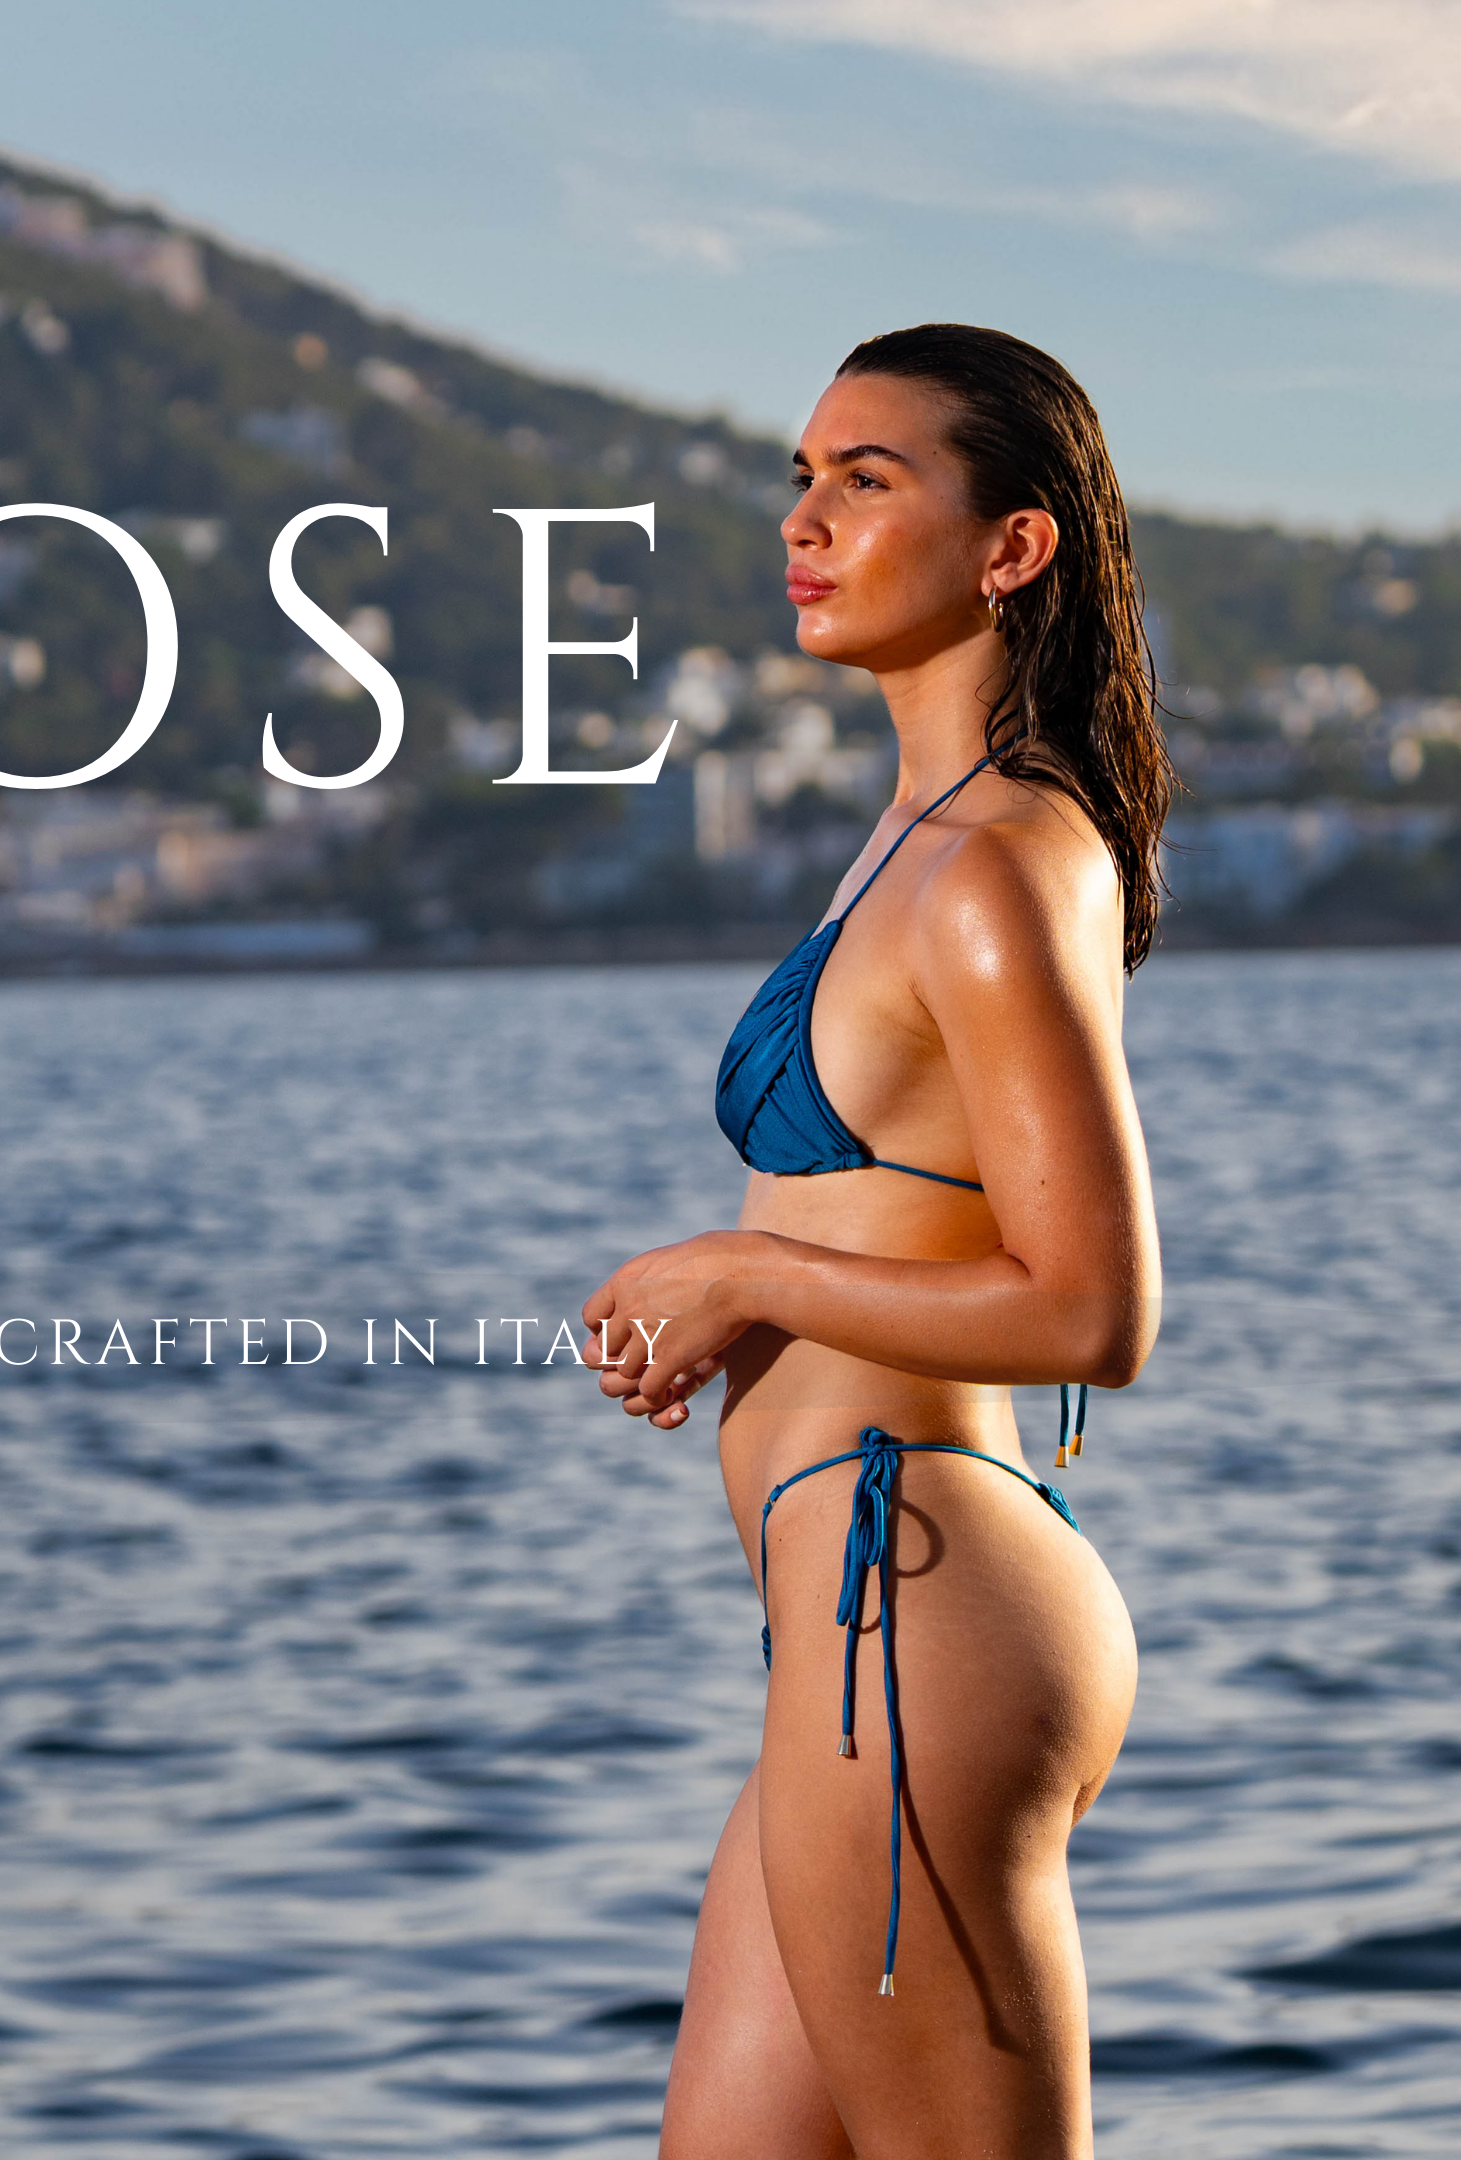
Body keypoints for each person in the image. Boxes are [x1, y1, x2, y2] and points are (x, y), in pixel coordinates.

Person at [579, 323, 1174, 2159]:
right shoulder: (915, 841)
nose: (806, 520)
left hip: (911, 1604)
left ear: (1014, 546)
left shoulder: (995, 863)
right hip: (846, 1622)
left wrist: (744, 1275)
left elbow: (1093, 1308)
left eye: (868, 479)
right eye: (802, 479)